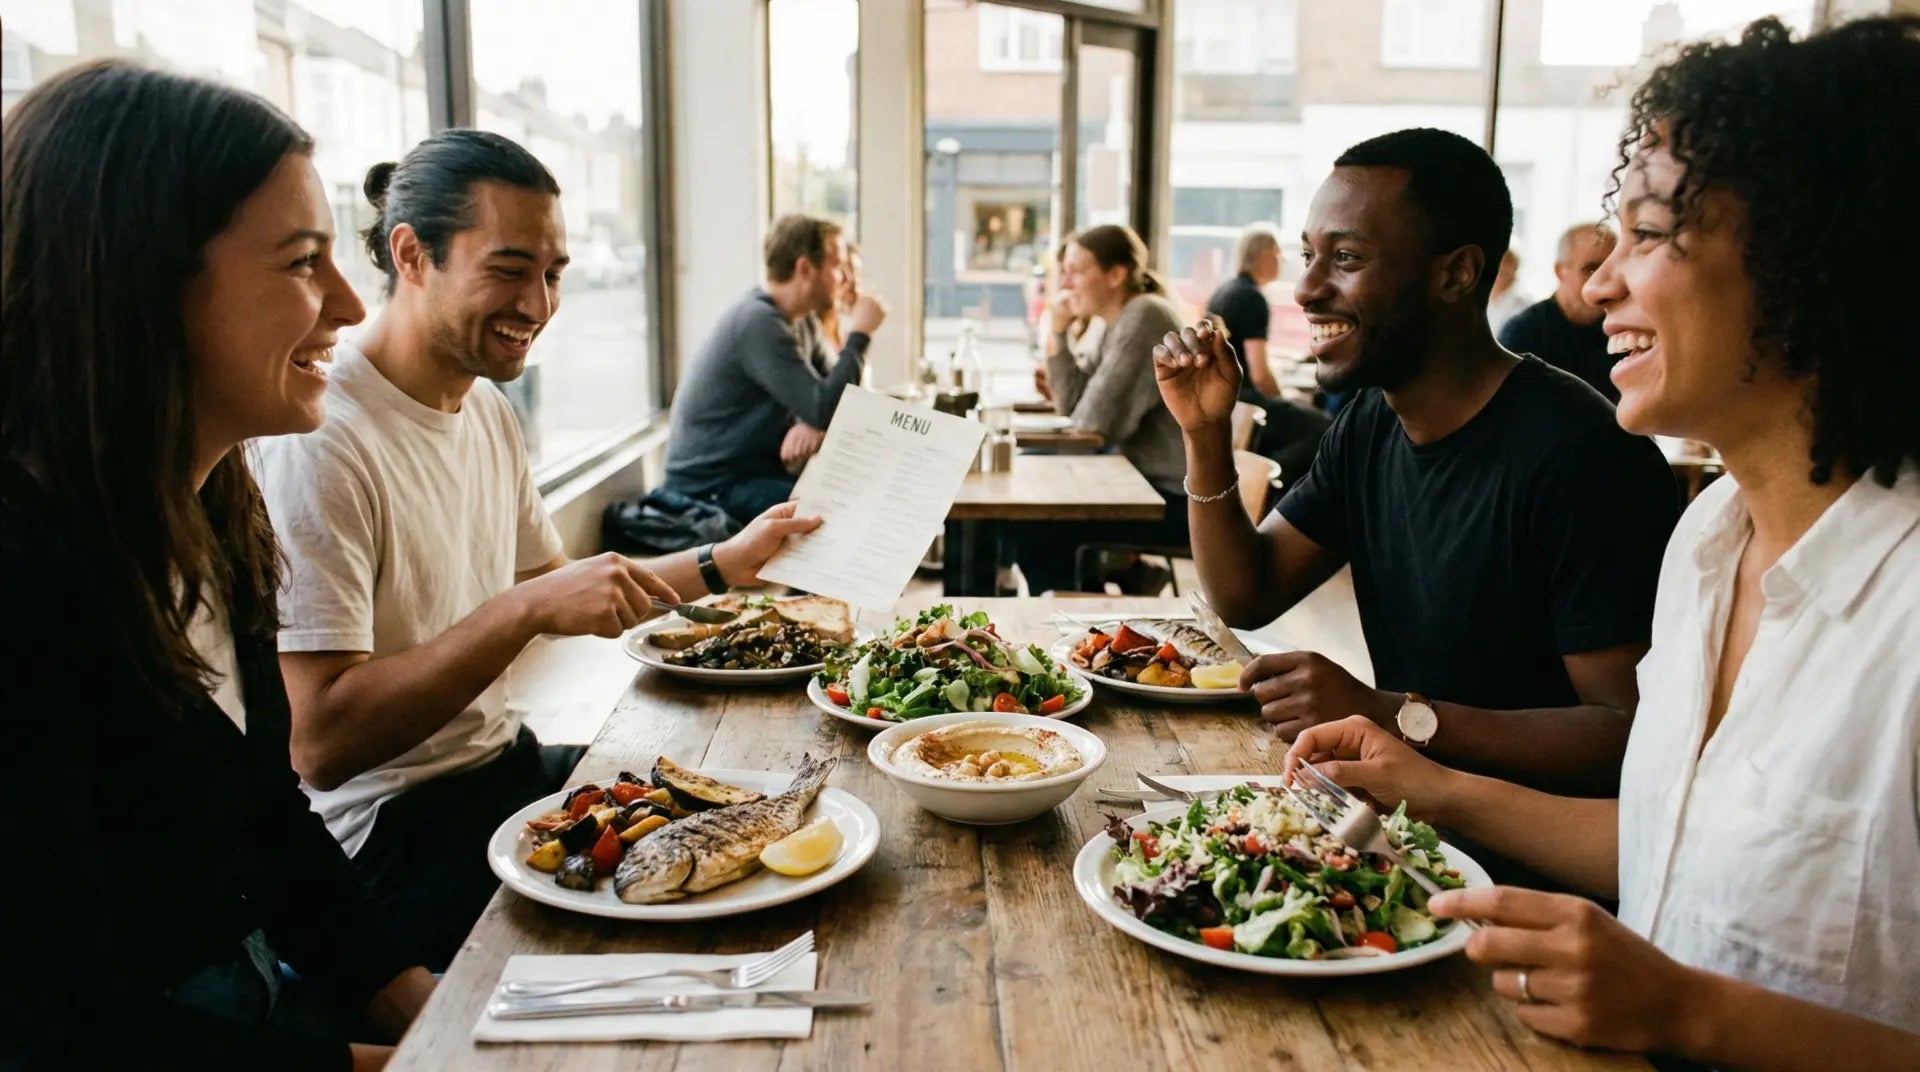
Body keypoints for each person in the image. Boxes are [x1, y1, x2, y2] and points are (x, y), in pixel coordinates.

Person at [1283, 18, 1920, 1062]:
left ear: (1816, 249)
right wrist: (1427, 781)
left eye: (1652, 234)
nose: (1602, 283)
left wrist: (1689, 1011)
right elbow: (1674, 842)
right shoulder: (1711, 539)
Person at [255, 131, 819, 970]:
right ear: (412, 254)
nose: (539, 303)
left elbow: (559, 587)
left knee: (777, 809)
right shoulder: (324, 438)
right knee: (714, 925)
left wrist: (724, 563)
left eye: (553, 273)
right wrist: (518, 613)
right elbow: (323, 744)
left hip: (501, 766)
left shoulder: (483, 408)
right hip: (388, 836)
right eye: (509, 269)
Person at [1, 61, 434, 1069]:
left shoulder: (219, 512)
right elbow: (55, 1032)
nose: (347, 305)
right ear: (137, 281)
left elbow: (265, 818)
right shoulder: (21, 585)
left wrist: (422, 999)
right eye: (300, 263)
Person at [1154, 129, 1679, 797]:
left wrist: (1393, 715)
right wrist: (1204, 435)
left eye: (1345, 257)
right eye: (1308, 255)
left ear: (1455, 274)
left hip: (1533, 872)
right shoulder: (1370, 423)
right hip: (1413, 821)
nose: (1307, 289)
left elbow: (1627, 733)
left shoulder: (1586, 457)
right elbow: (1246, 594)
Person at [662, 214, 888, 524]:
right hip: (710, 488)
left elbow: (839, 397)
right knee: (840, 508)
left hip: (750, 476)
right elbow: (825, 405)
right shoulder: (757, 322)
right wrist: (860, 334)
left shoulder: (802, 320)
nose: (845, 279)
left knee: (861, 487)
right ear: (805, 269)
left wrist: (811, 420)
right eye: (837, 267)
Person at [1012, 224, 1189, 594]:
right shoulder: (1116, 323)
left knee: (1031, 526)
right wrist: (1058, 333)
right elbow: (1074, 407)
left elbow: (1091, 427)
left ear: (1116, 275)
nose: (1066, 283)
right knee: (1028, 512)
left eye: (1076, 270)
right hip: (1138, 488)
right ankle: (1113, 585)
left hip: (1172, 500)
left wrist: (1057, 336)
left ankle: (1080, 622)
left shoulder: (1145, 316)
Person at [1205, 221, 1332, 482]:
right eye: (1277, 254)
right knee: (1325, 429)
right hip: (1247, 401)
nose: (1281, 262)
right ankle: (1265, 485)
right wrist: (1286, 398)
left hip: (1231, 399)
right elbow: (1260, 374)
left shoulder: (1226, 290)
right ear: (1263, 256)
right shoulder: (1253, 298)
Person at [1499, 223, 1620, 402]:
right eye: (1591, 270)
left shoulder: (1624, 332)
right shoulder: (1523, 334)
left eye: (1612, 269)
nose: (1603, 281)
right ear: (1559, 271)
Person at [1486, 248, 1531, 332]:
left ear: (1513, 272)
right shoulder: (1478, 302)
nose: (1498, 274)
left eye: (1503, 272)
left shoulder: (1524, 308)